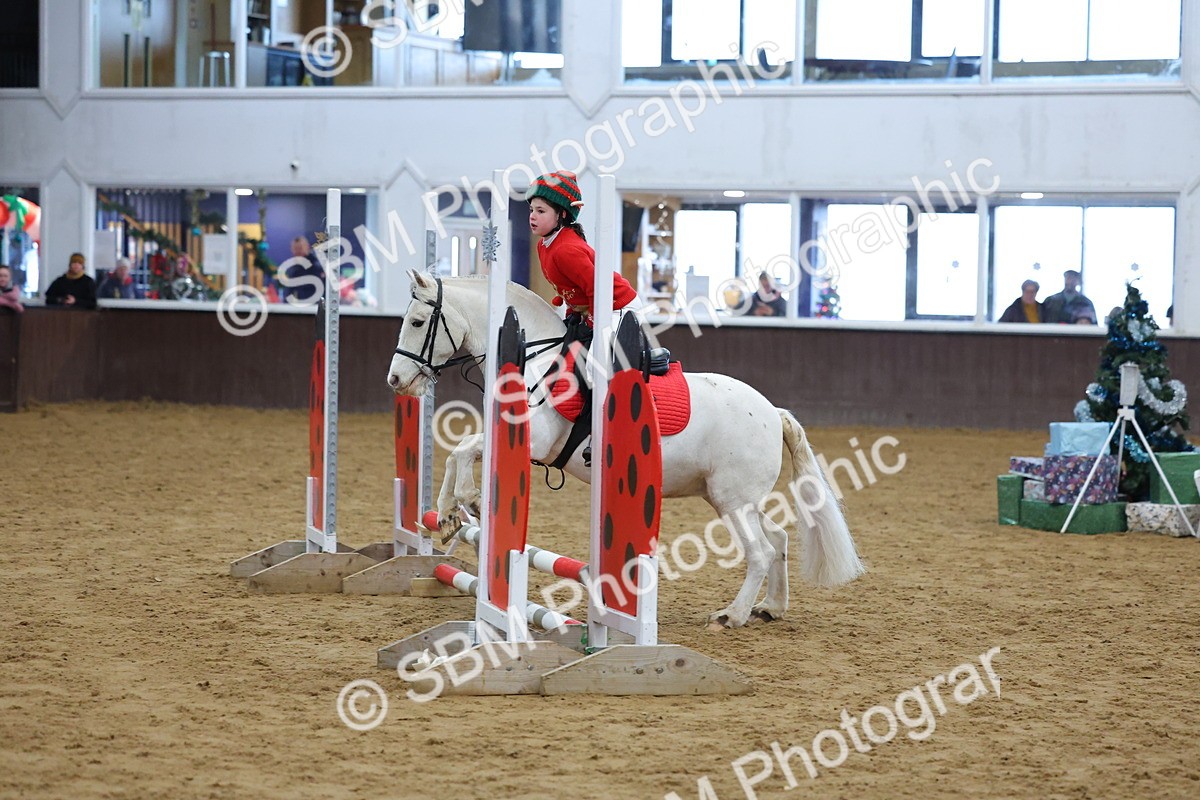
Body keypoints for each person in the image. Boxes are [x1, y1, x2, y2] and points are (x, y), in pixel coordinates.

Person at [525, 171, 636, 326]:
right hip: (594, 306)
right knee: (568, 348)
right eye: (531, 210)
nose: (532, 216)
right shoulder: (543, 245)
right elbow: (572, 286)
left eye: (541, 211)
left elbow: (597, 290)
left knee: (593, 351)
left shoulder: (566, 250)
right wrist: (573, 313)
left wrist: (591, 322)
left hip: (617, 307)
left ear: (562, 214)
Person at [280, 236, 325, 305]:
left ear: (307, 247)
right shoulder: (293, 268)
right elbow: (289, 291)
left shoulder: (316, 266)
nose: (298, 251)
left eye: (300, 248)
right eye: (295, 248)